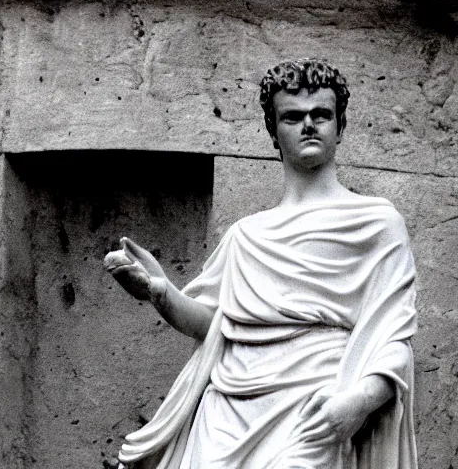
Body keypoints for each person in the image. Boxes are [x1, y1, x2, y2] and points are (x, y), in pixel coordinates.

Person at [104, 59, 417, 468]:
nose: (309, 124)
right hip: (225, 416)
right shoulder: (246, 236)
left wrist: (359, 401)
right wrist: (160, 293)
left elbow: (394, 336)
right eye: (293, 116)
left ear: (340, 126)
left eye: (321, 114)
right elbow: (214, 324)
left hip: (313, 411)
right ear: (273, 130)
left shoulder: (377, 223)